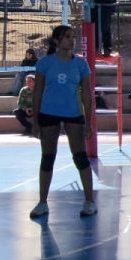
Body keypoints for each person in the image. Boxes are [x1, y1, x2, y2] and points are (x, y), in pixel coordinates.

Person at [30, 24, 97, 219]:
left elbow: (87, 96)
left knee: (80, 157)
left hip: (72, 114)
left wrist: (89, 122)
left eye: (72, 37)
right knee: (48, 157)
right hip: (48, 113)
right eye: (67, 37)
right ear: (56, 41)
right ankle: (42, 203)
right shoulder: (45, 63)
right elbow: (37, 93)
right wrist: (35, 121)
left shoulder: (81, 65)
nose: (72, 40)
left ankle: (89, 201)